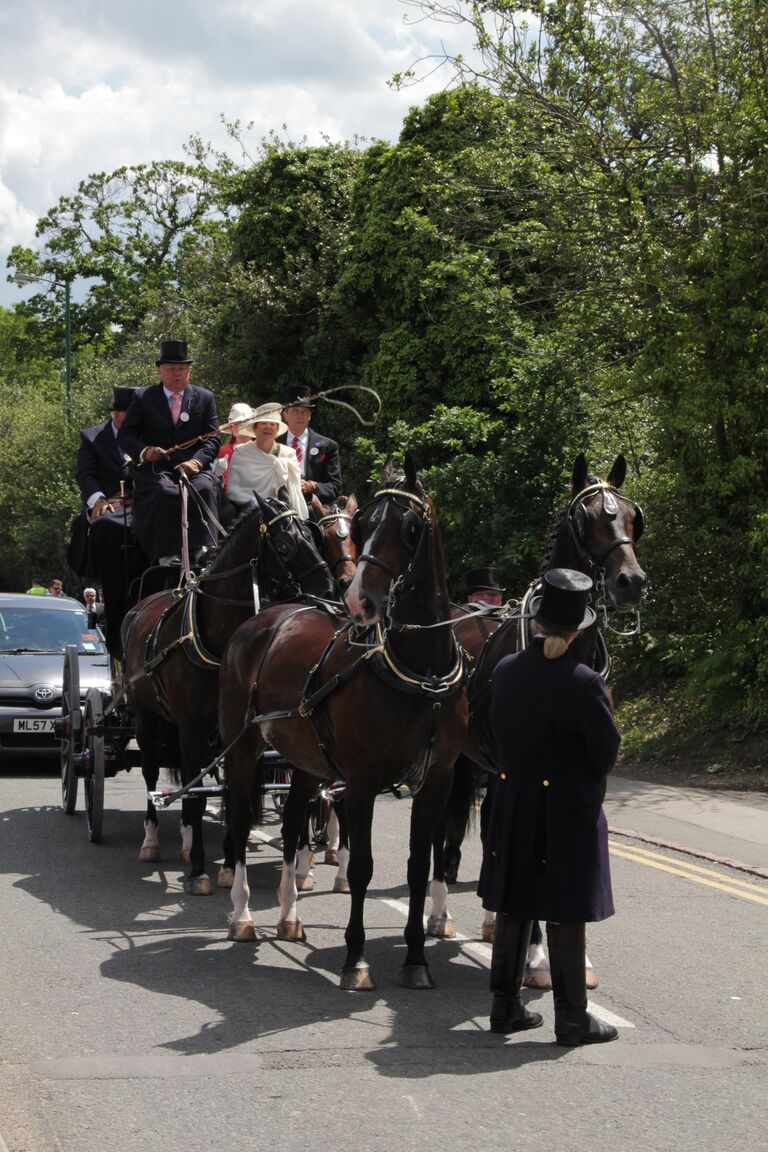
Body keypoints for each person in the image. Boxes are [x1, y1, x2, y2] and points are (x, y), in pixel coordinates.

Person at [478, 568, 621, 1046]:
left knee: (513, 905)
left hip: (513, 799)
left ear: (536, 621)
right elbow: (606, 753)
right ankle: (573, 1019)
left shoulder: (505, 671)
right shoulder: (583, 682)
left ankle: (503, 1009)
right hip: (565, 806)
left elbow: (495, 733)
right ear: (579, 628)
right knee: (565, 911)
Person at [117, 339, 221, 566]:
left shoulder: (204, 397)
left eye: (181, 369)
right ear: (160, 372)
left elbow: (213, 438)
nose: (177, 374)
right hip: (156, 467)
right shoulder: (143, 397)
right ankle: (167, 553)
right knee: (164, 492)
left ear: (189, 372)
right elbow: (125, 436)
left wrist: (197, 462)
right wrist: (146, 451)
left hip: (193, 466)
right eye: (171, 369)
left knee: (202, 488)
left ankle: (203, 548)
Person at [71, 385, 148, 658]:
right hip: (110, 503)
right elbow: (86, 474)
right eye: (123, 414)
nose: (128, 420)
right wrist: (99, 500)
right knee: (108, 525)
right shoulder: (92, 437)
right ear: (115, 414)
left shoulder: (148, 436)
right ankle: (114, 589)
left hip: (145, 503)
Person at [226, 402, 307, 519]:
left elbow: (294, 491)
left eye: (272, 424)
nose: (268, 427)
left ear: (277, 429)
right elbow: (234, 489)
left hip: (281, 512)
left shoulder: (288, 454)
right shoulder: (241, 452)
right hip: (247, 511)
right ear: (254, 428)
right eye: (263, 423)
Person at [276, 384, 342, 506]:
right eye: (295, 411)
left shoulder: (327, 446)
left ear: (310, 415)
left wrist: (311, 486)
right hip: (282, 507)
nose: (300, 415)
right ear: (285, 415)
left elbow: (335, 487)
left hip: (314, 507)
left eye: (304, 411)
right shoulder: (274, 444)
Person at [213, 402, 257, 494]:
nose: (235, 426)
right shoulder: (222, 451)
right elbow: (213, 484)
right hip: (227, 500)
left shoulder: (261, 449)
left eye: (240, 423)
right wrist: (217, 474)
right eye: (233, 424)